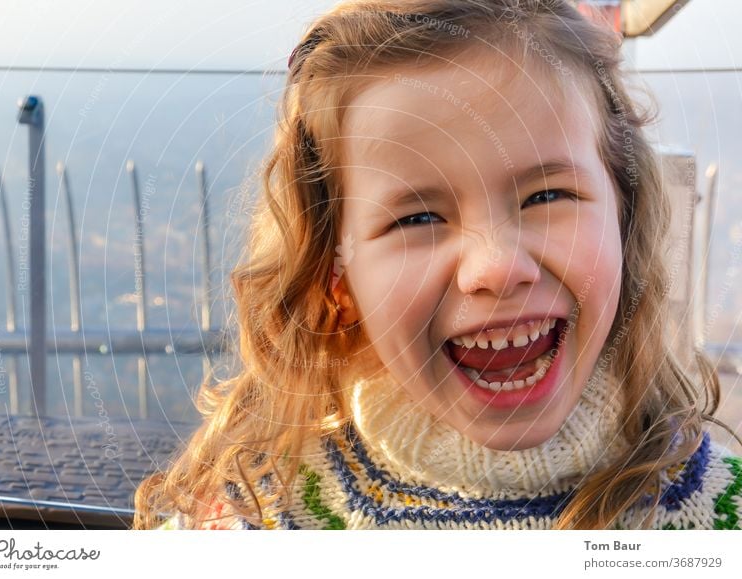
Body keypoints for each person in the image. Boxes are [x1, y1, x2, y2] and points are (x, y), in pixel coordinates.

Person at [135, 0, 742, 530]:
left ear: (623, 217)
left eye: (547, 196)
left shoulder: (719, 518)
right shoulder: (255, 522)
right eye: (417, 220)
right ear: (335, 276)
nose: (498, 268)